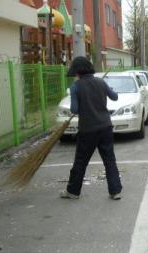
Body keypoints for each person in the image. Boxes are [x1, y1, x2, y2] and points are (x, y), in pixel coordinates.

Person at [60, 56, 122, 200]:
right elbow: (115, 97)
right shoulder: (101, 82)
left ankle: (73, 191)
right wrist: (107, 89)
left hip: (87, 130)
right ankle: (115, 191)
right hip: (105, 127)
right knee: (109, 160)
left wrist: (80, 100)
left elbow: (74, 110)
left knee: (81, 161)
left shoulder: (76, 87)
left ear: (77, 72)